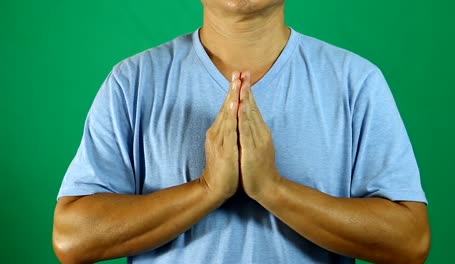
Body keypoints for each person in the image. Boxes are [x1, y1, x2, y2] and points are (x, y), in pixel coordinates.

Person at [52, 0, 430, 263]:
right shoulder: (132, 82)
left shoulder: (356, 82)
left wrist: (271, 188)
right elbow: (73, 238)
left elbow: (409, 241)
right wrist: (207, 190)